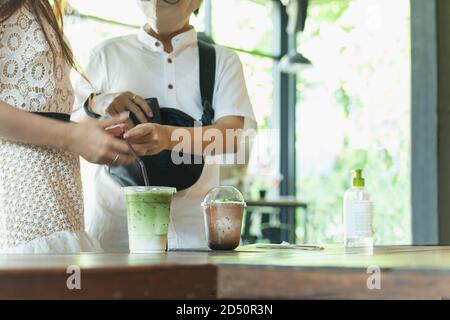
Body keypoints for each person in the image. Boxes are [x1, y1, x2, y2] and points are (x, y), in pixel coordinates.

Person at [76, 0, 256, 252]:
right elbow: (72, 137)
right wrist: (95, 103)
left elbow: (232, 138)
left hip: (193, 237)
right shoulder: (106, 55)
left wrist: (166, 137)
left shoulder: (222, 61)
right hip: (115, 234)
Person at [0, 0, 135, 253]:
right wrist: (72, 137)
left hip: (61, 203)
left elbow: (38, 109)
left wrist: (91, 135)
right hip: (18, 206)